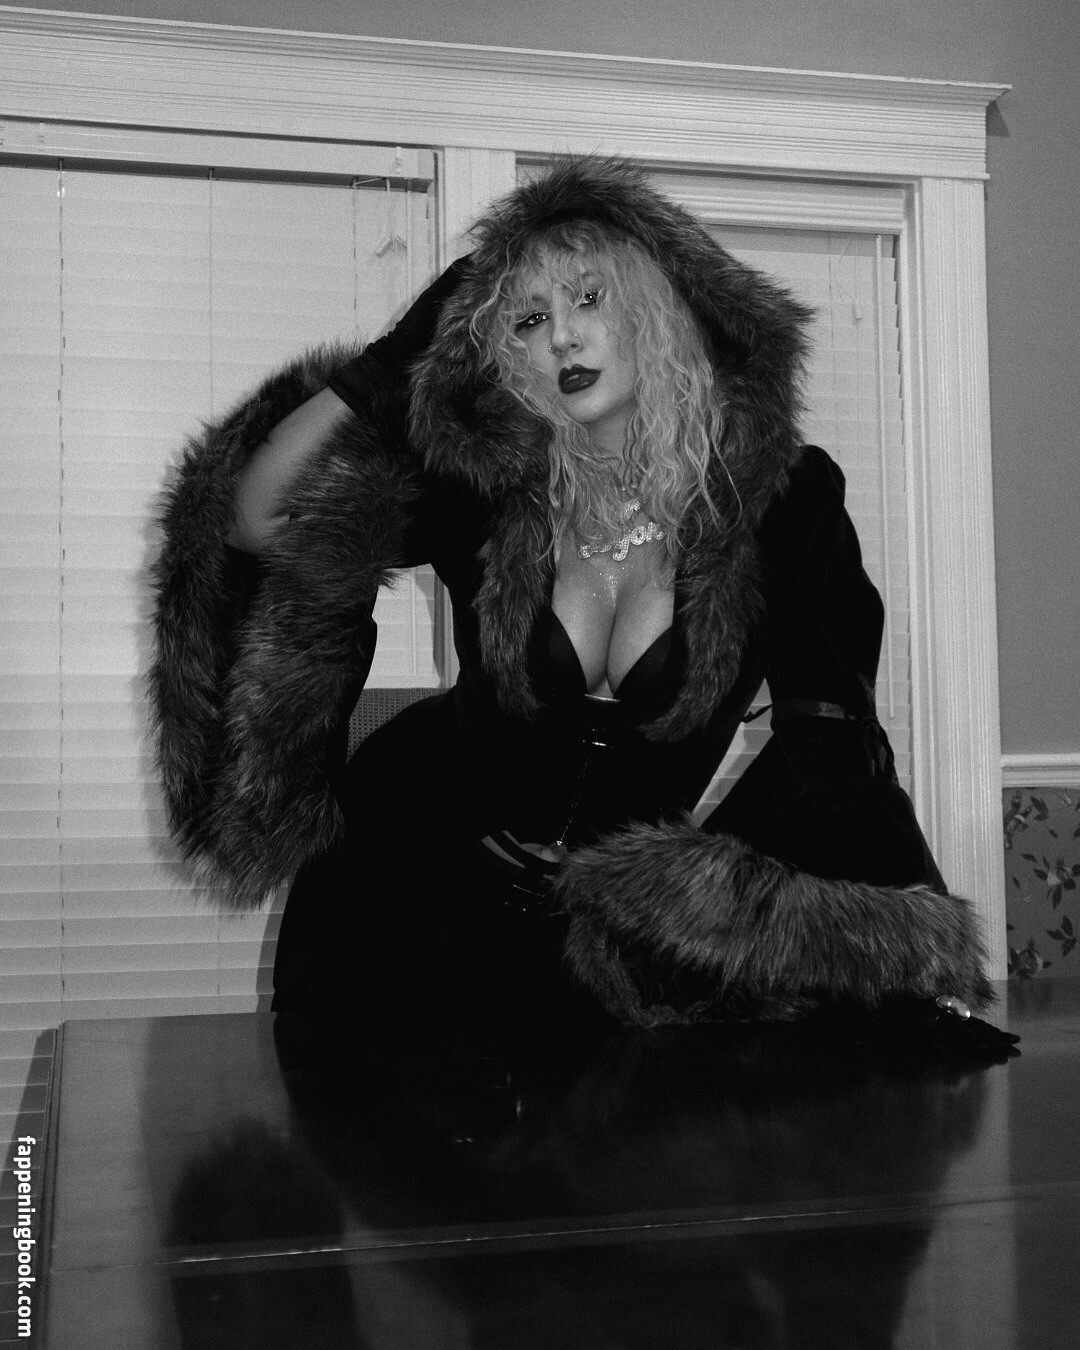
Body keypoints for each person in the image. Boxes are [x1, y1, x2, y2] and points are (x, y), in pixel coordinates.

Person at [151, 157, 1011, 1048]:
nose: (562, 337)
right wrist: (396, 357)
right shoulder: (484, 490)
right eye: (529, 320)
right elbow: (256, 519)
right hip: (406, 882)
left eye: (589, 299)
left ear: (657, 308)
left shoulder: (780, 502)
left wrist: (899, 952)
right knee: (372, 1124)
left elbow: (832, 740)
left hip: (610, 940)